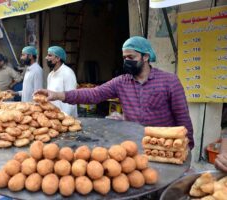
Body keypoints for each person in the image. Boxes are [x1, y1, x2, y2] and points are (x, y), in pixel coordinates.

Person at [36, 36, 194, 149]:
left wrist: (187, 148)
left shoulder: (169, 81)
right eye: (124, 58)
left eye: (131, 57)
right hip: (133, 145)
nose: (126, 61)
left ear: (145, 57)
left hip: (163, 146)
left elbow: (182, 118)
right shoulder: (122, 82)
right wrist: (57, 95)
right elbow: (94, 94)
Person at [46, 46, 78, 117]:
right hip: (54, 117)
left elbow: (71, 98)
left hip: (66, 118)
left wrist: (64, 118)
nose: (46, 57)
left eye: (50, 55)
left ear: (58, 58)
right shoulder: (50, 75)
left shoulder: (68, 73)